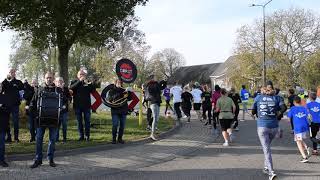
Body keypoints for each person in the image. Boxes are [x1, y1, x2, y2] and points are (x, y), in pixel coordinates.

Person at [29, 72, 65, 168]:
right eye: (47, 77)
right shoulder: (39, 90)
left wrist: (62, 110)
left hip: (54, 120)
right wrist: (35, 114)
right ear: (44, 78)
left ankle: (50, 159)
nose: (48, 79)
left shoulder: (58, 90)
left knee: (52, 140)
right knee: (39, 139)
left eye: (50, 77)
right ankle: (38, 160)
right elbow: (32, 103)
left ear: (53, 79)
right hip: (41, 120)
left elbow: (64, 103)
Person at [252, 85, 287, 180]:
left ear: (262, 91)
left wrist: (255, 115)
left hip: (262, 126)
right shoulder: (277, 98)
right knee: (267, 147)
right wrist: (278, 114)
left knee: (266, 149)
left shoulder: (258, 97)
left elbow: (253, 110)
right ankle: (266, 167)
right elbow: (284, 108)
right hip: (274, 126)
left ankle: (271, 172)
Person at [70, 70, 96, 141]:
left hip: (87, 106)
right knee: (79, 121)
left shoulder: (87, 82)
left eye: (83, 74)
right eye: (80, 74)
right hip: (77, 105)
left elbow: (93, 90)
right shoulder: (74, 82)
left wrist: (89, 83)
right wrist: (79, 81)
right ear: (77, 75)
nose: (82, 75)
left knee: (87, 121)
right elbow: (71, 88)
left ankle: (87, 136)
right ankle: (81, 136)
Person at [2, 68, 24, 142]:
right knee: (6, 122)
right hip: (6, 105)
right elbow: (1, 90)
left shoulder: (18, 82)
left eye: (13, 72)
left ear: (15, 73)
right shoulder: (4, 82)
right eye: (10, 72)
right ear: (8, 73)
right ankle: (8, 137)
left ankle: (16, 138)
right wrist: (6, 80)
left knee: (15, 122)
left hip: (15, 105)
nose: (12, 73)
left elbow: (22, 89)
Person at [288, 96, 311, 163]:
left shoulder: (293, 108)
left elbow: (289, 116)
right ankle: (307, 148)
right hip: (304, 126)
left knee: (298, 141)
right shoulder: (304, 108)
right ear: (300, 101)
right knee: (300, 139)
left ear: (294, 102)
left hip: (298, 127)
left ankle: (304, 157)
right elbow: (308, 116)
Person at [109, 79, 132, 144]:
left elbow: (129, 98)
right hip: (115, 110)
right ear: (115, 83)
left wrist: (129, 92)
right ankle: (113, 139)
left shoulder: (124, 90)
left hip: (123, 110)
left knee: (122, 125)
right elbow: (111, 99)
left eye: (120, 83)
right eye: (118, 82)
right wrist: (120, 93)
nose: (119, 84)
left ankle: (120, 139)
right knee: (115, 125)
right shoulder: (112, 91)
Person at [145, 75, 166, 141]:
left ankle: (152, 130)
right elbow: (152, 90)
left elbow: (162, 87)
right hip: (153, 102)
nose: (156, 78)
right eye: (155, 77)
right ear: (152, 79)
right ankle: (152, 134)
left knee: (156, 118)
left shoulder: (156, 84)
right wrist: (159, 83)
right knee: (155, 117)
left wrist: (164, 82)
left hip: (157, 102)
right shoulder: (149, 85)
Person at [55, 77, 71, 143]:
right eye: (58, 81)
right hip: (56, 110)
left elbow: (68, 98)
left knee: (64, 125)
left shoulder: (66, 89)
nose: (60, 82)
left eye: (61, 81)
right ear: (56, 82)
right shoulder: (54, 89)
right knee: (57, 125)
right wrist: (60, 90)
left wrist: (62, 90)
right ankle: (56, 138)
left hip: (64, 110)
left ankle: (64, 138)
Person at [0, 83, 10, 167]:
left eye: (0, 87)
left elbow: (7, 111)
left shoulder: (5, 97)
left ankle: (2, 160)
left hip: (2, 125)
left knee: (1, 144)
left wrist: (1, 108)